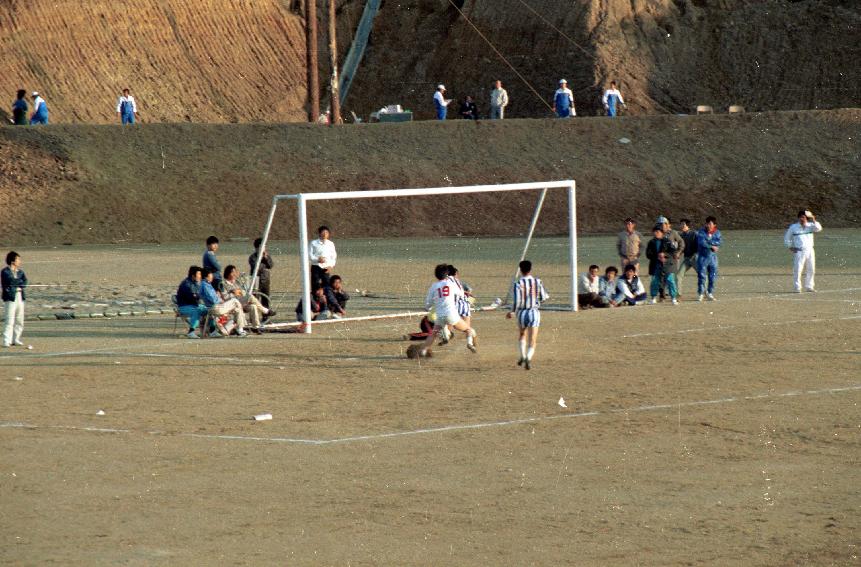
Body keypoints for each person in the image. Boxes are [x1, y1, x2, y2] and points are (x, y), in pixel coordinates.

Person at [418, 264, 477, 357]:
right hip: (451, 314)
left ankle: (423, 351)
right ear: (447, 275)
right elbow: (461, 294)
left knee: (433, 334)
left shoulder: (434, 286)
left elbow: (428, 303)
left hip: (440, 315)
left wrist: (429, 307)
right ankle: (469, 343)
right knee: (468, 329)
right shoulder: (451, 284)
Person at [507, 260, 548, 370]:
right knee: (533, 339)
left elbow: (517, 301)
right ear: (531, 269)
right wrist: (536, 301)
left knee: (522, 334)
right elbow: (544, 298)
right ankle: (528, 358)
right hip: (534, 312)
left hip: (522, 312)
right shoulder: (537, 281)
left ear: (520, 270)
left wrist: (512, 312)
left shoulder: (518, 284)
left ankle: (523, 355)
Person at [221, 265, 274, 330]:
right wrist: (233, 293)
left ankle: (256, 326)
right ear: (229, 273)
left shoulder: (237, 282)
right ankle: (264, 310)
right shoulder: (223, 284)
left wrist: (239, 292)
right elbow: (225, 297)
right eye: (234, 272)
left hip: (241, 302)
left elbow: (243, 292)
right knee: (250, 297)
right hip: (232, 303)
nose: (235, 274)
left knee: (253, 306)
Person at [784, 209, 823, 292]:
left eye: (804, 217)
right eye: (801, 217)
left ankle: (809, 286)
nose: (802, 219)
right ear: (798, 218)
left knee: (811, 269)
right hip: (800, 251)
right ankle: (797, 287)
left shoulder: (811, 225)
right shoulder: (793, 227)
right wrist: (790, 246)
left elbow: (819, 228)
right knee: (798, 269)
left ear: (806, 218)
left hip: (810, 250)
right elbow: (787, 237)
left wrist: (813, 218)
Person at [201, 268, 247, 336]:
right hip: (215, 307)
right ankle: (239, 329)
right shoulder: (205, 285)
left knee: (237, 310)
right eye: (210, 276)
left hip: (213, 307)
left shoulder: (206, 284)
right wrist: (220, 299)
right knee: (235, 301)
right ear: (206, 276)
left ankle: (238, 329)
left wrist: (218, 297)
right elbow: (213, 299)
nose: (212, 277)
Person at [646, 225, 679, 305]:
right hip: (655, 265)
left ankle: (673, 298)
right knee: (655, 281)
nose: (656, 233)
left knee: (670, 280)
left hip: (667, 265)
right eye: (655, 232)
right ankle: (653, 297)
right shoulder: (651, 242)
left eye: (658, 232)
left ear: (662, 233)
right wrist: (658, 256)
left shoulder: (667, 241)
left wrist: (665, 255)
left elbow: (673, 251)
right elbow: (648, 254)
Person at [2, 251, 28, 347]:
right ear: (13, 261)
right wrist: (19, 282)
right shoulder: (5, 271)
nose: (19, 261)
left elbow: (25, 282)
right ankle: (6, 340)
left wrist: (19, 282)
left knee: (19, 319)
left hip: (20, 296)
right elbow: (10, 281)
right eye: (18, 259)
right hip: (10, 297)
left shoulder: (20, 272)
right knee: (9, 319)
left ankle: (16, 339)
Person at [175, 266, 208, 339]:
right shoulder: (186, 284)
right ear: (193, 275)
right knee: (196, 311)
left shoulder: (197, 283)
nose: (200, 276)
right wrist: (199, 296)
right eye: (199, 274)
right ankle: (191, 331)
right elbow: (191, 297)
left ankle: (212, 330)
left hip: (194, 305)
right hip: (184, 306)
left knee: (209, 310)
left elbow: (197, 296)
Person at [696, 216, 722, 301]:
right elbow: (701, 242)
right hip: (703, 257)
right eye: (707, 223)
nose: (708, 225)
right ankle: (701, 293)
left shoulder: (717, 232)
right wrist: (711, 245)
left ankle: (710, 293)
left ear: (714, 225)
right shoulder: (701, 231)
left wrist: (710, 242)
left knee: (712, 276)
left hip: (713, 257)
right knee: (701, 276)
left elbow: (719, 242)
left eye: (710, 223)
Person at [248, 237, 274, 312]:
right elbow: (256, 267)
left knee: (266, 298)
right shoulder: (252, 257)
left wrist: (265, 258)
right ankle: (254, 316)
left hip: (265, 279)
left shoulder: (267, 256)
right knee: (255, 298)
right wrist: (263, 262)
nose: (264, 248)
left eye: (265, 246)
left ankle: (266, 316)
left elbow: (271, 265)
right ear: (257, 247)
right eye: (262, 246)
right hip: (255, 279)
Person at [676, 218, 698, 294]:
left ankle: (705, 292)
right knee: (678, 275)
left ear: (687, 226)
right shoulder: (681, 235)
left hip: (695, 258)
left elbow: (699, 245)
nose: (681, 226)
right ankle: (678, 294)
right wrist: (679, 253)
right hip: (686, 259)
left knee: (702, 274)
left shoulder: (694, 234)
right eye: (681, 224)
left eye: (683, 224)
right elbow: (681, 247)